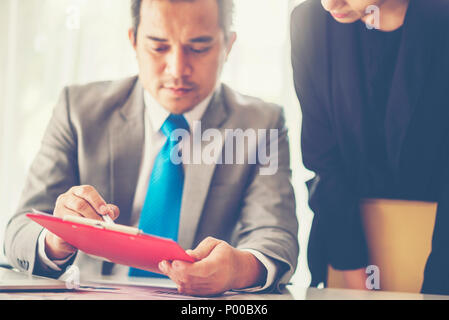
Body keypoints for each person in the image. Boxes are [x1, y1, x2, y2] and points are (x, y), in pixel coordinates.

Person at [4, 0, 299, 297]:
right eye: (158, 47)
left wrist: (239, 269)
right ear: (133, 41)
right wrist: (55, 240)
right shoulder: (78, 111)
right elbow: (19, 230)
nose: (177, 69)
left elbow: (275, 236)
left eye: (198, 48)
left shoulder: (262, 125)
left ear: (228, 45)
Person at [291, 0, 449, 295]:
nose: (329, 4)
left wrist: (436, 289)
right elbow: (323, 159)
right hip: (343, 250)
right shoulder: (309, 21)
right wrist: (359, 285)